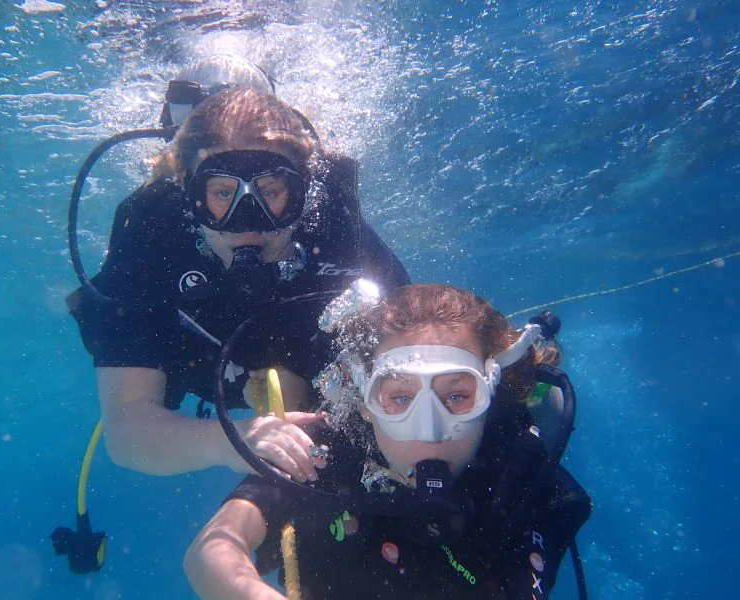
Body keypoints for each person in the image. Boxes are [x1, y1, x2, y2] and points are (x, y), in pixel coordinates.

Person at [66, 70, 410, 481]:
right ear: (188, 193)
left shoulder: (334, 227)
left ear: (304, 192)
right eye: (223, 193)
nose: (249, 222)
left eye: (271, 191)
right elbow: (127, 433)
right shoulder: (150, 235)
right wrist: (229, 441)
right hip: (203, 362)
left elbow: (416, 341)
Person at [184, 283, 591, 599]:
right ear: (364, 401)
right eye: (399, 397)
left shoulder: (525, 483)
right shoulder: (324, 450)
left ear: (490, 395)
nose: (428, 430)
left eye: (456, 397)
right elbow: (214, 550)